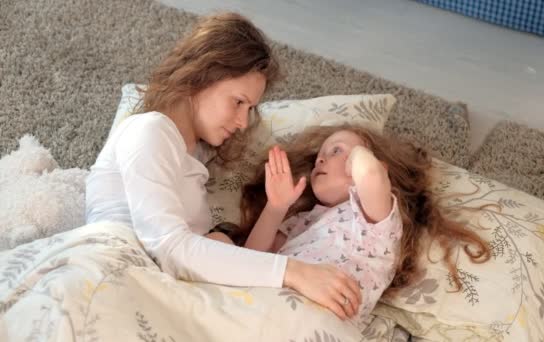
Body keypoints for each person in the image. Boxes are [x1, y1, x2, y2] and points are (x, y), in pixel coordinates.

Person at [85, 12, 362, 320]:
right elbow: (170, 248)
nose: (243, 122)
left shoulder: (192, 157)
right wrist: (293, 271)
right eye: (238, 102)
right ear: (202, 76)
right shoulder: (150, 130)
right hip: (111, 280)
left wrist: (275, 207)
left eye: (251, 109)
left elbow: (221, 263)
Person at [223, 124, 491, 328]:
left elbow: (372, 176)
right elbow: (251, 259)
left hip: (318, 320)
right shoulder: (301, 221)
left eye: (336, 151)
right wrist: (276, 207)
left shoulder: (373, 219)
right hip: (267, 305)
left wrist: (361, 153)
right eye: (320, 155)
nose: (320, 159)